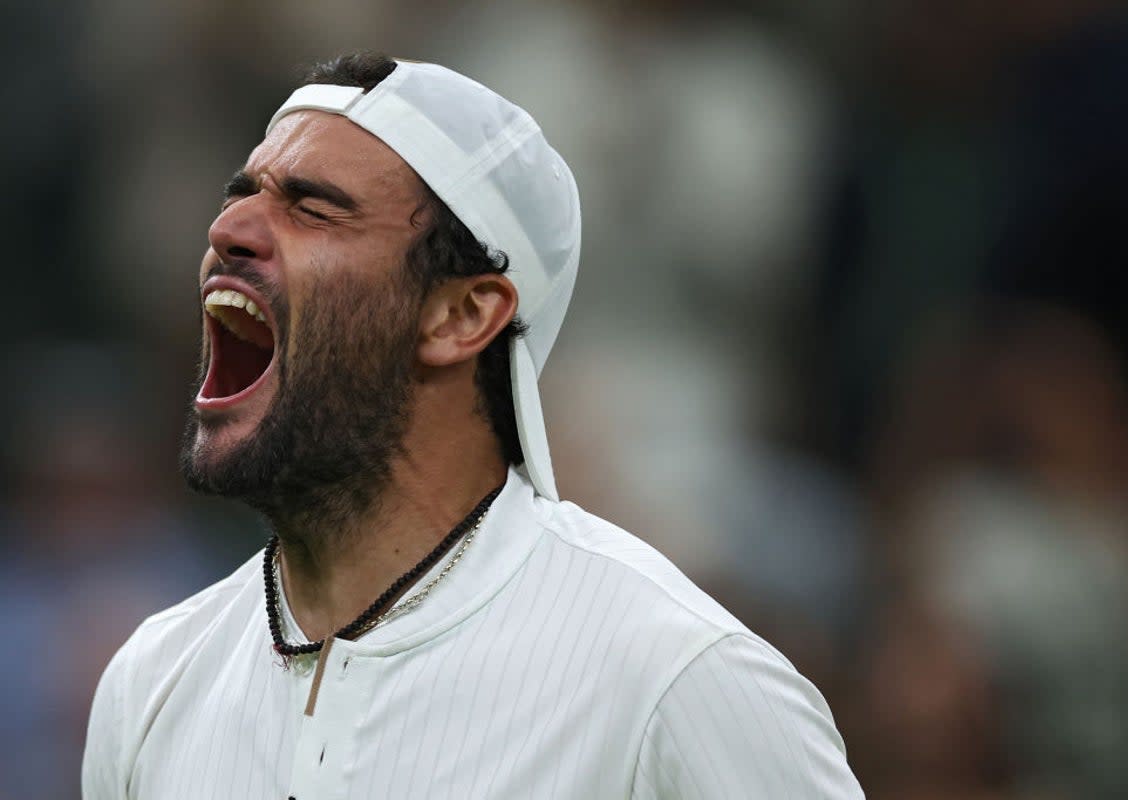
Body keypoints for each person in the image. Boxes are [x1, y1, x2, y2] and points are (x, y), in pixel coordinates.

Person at [81, 52, 863, 799]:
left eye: (312, 208)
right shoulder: (152, 683)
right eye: (241, 194)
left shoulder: (675, 677)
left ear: (462, 314)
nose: (228, 231)